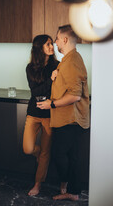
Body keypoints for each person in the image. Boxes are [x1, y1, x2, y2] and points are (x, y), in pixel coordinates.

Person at [37, 25, 90, 201]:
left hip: (70, 120)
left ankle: (69, 187)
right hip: (70, 119)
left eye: (57, 39)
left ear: (65, 40)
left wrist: (51, 104)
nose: (56, 42)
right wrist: (56, 74)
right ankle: (73, 192)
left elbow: (74, 95)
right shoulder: (69, 59)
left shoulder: (72, 60)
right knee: (72, 157)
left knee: (60, 155)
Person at [23, 34, 59, 196]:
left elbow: (57, 92)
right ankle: (40, 155)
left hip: (51, 114)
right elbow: (35, 92)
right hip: (34, 113)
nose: (52, 47)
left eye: (52, 43)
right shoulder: (30, 68)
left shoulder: (58, 65)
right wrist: (51, 80)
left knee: (45, 152)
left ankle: (37, 184)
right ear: (39, 48)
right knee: (28, 148)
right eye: (48, 44)